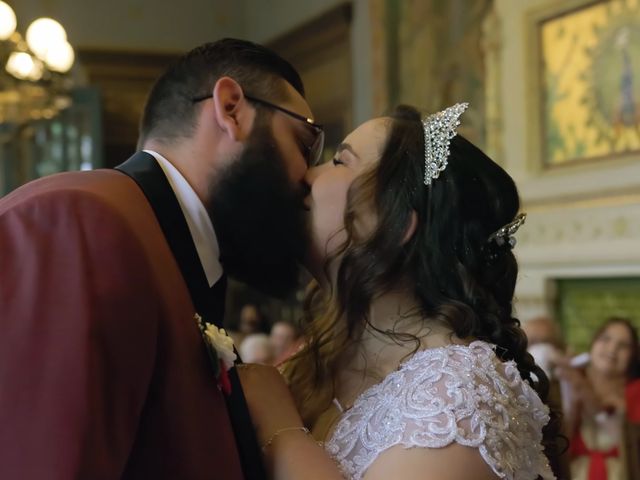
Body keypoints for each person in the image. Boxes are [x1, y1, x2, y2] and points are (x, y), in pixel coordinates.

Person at [0, 38, 323, 479]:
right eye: (305, 144)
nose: (309, 179)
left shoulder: (168, 243)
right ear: (230, 108)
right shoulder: (82, 221)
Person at [239, 104, 559, 480]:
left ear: (394, 226)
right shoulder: (325, 357)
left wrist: (280, 428)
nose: (308, 175)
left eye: (340, 161)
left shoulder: (457, 399)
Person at [556, 317, 640, 480]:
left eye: (623, 345)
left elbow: (626, 443)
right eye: (606, 339)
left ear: (632, 356)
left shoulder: (636, 392)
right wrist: (573, 397)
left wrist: (586, 393)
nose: (612, 349)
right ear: (593, 344)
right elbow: (558, 445)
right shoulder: (567, 382)